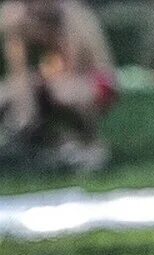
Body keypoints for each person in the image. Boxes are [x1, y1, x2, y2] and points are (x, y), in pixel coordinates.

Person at [0, 0, 117, 169]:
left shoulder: (72, 15)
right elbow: (19, 75)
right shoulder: (21, 17)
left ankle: (90, 144)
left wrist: (43, 33)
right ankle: (40, 145)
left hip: (98, 82)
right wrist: (24, 112)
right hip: (54, 81)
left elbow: (74, 69)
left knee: (61, 91)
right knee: (8, 93)